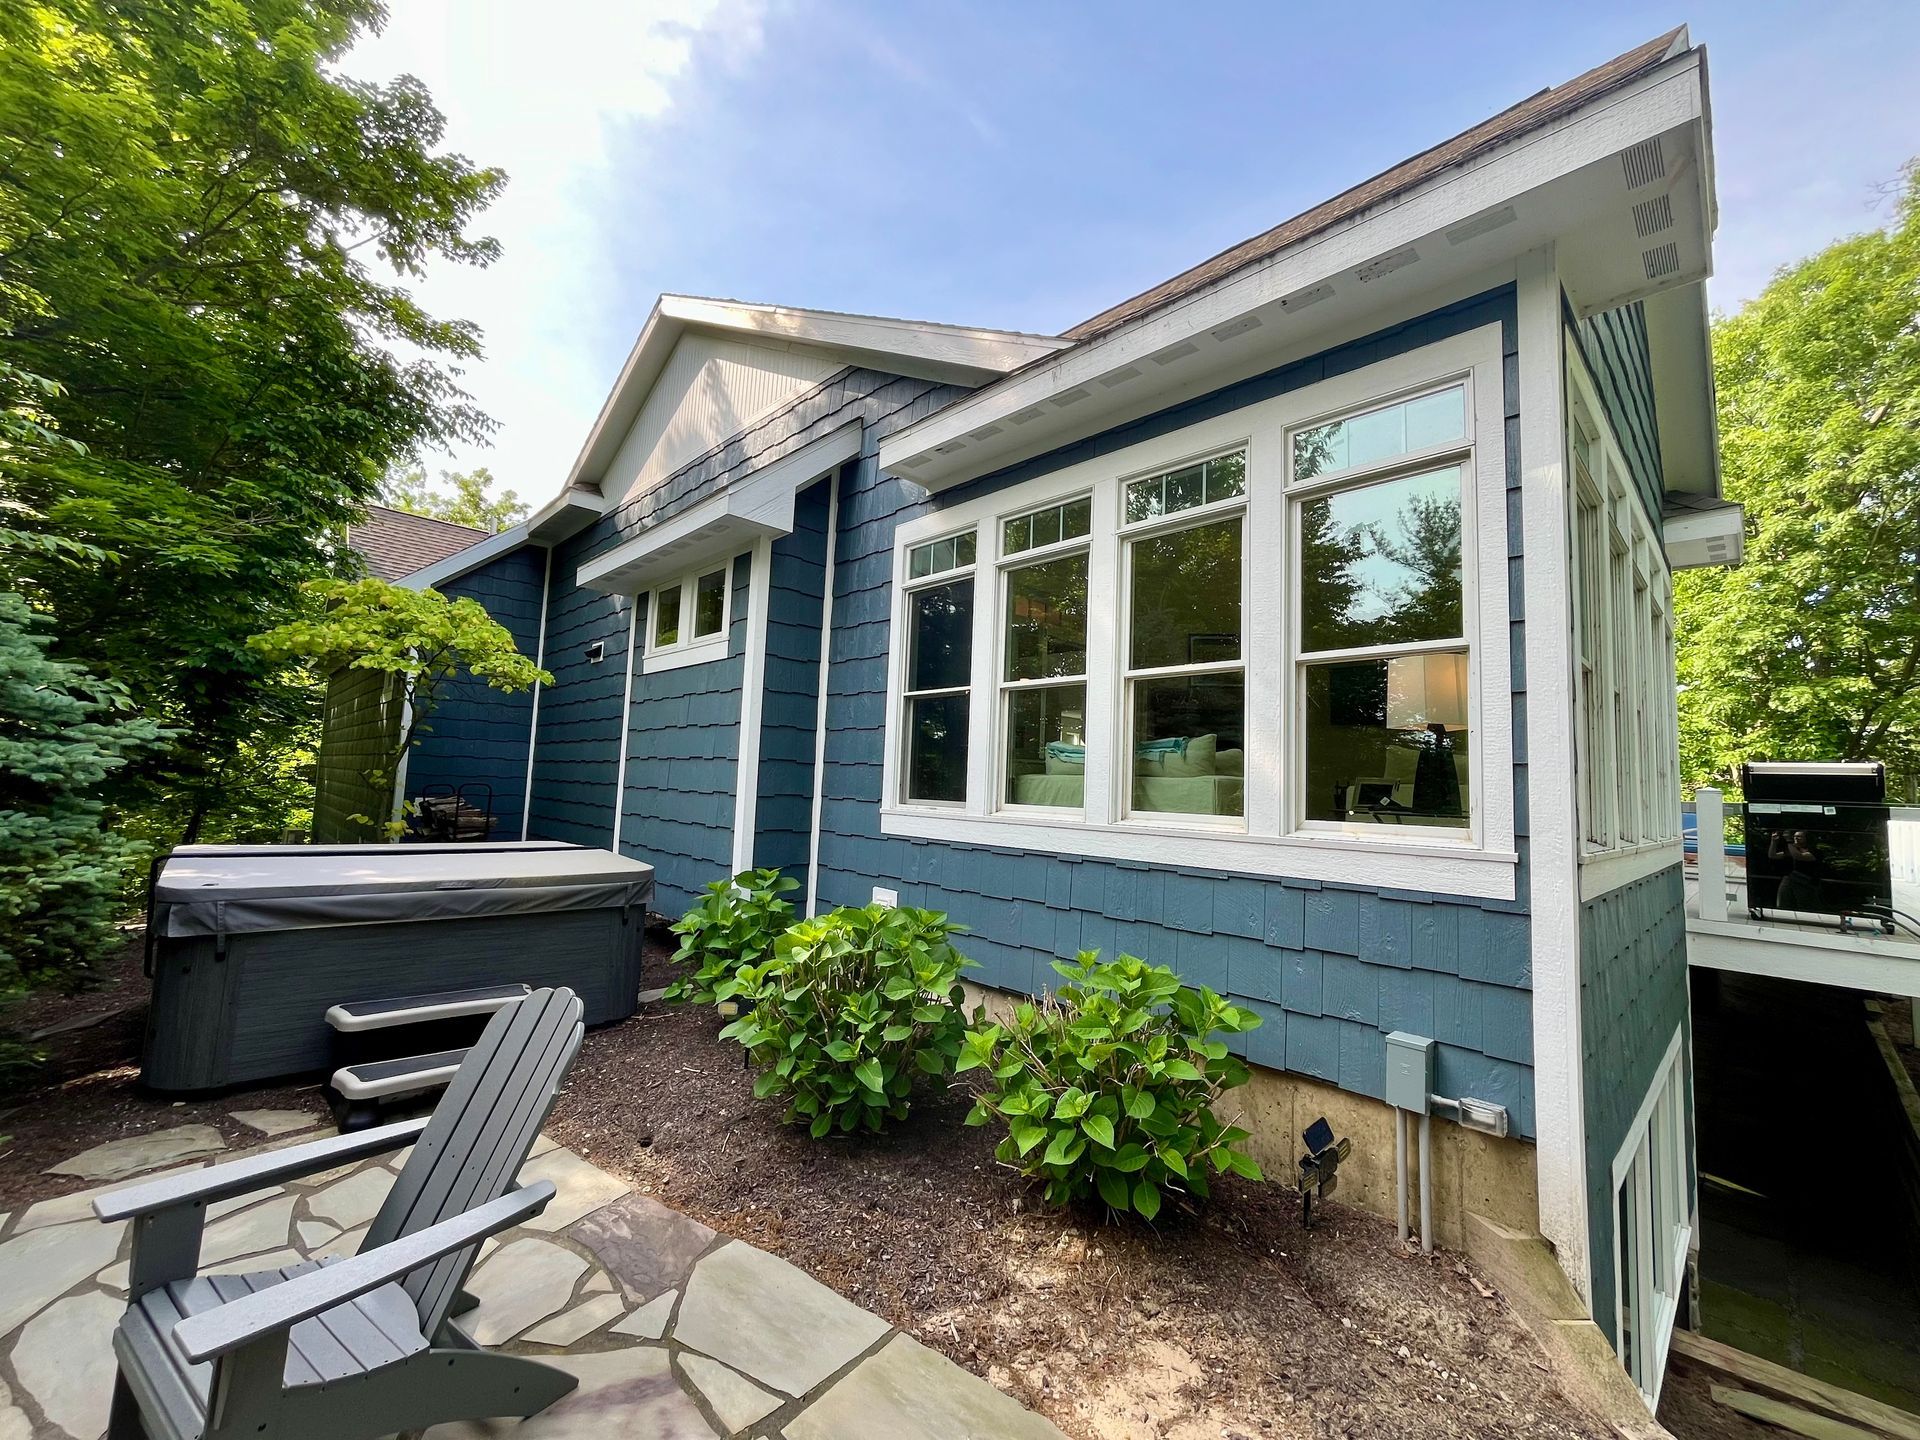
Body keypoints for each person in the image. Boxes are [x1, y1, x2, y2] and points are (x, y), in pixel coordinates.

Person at [1769, 828, 1824, 911]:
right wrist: (1774, 842)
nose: (1796, 839)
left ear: (1806, 839)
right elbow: (1772, 855)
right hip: (1791, 879)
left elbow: (1799, 856)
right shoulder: (1793, 850)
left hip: (1806, 882)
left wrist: (1789, 841)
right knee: (1783, 903)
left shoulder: (1815, 851)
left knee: (1806, 905)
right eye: (1794, 837)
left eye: (1799, 837)